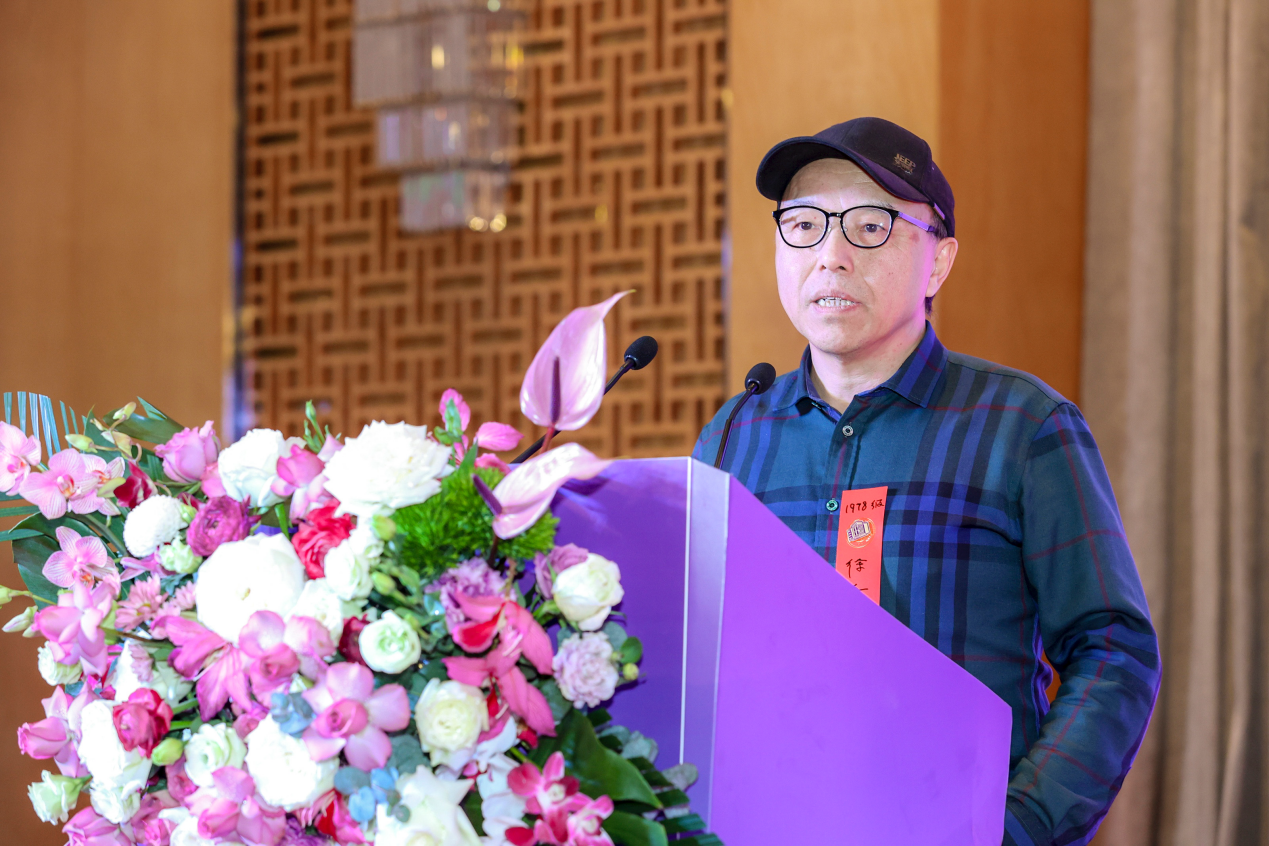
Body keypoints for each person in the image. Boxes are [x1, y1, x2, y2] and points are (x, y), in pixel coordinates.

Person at [693, 117, 1160, 846]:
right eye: (804, 225)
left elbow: (1112, 651)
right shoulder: (733, 437)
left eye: (870, 226)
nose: (831, 256)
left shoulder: (1023, 426)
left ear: (938, 262)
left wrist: (1016, 824)